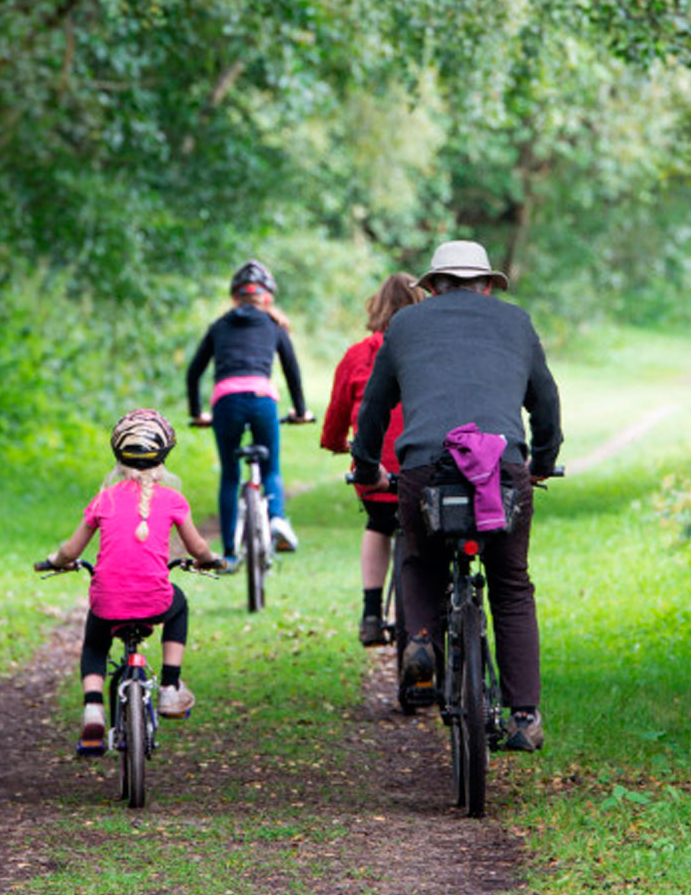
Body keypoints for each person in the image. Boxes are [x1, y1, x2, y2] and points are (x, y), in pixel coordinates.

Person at [351, 240, 562, 751]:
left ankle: (420, 641)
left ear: (433, 286)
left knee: (420, 560)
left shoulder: (403, 326)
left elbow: (374, 409)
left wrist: (366, 468)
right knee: (511, 585)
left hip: (426, 466)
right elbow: (546, 402)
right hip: (503, 468)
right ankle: (524, 716)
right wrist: (540, 463)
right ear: (488, 284)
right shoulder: (516, 322)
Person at [36, 409, 220, 756]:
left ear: (118, 457)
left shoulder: (103, 499)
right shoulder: (173, 500)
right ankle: (168, 685)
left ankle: (93, 708)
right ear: (163, 456)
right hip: (155, 600)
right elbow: (197, 547)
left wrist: (56, 562)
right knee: (178, 606)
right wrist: (209, 560)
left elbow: (72, 549)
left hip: (108, 600)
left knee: (95, 640)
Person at [186, 260, 313, 572]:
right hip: (261, 399)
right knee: (271, 467)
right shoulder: (274, 326)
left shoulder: (219, 326)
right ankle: (277, 519)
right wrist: (299, 410)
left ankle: (229, 555)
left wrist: (198, 413)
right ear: (267, 298)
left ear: (234, 297)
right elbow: (292, 372)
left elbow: (193, 374)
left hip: (226, 401)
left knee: (230, 474)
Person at [320, 272, 425, 646]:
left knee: (379, 525)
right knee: (427, 534)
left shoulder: (359, 354)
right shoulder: (428, 351)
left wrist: (336, 443)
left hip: (374, 468)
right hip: (424, 469)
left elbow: (336, 414)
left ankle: (369, 612)